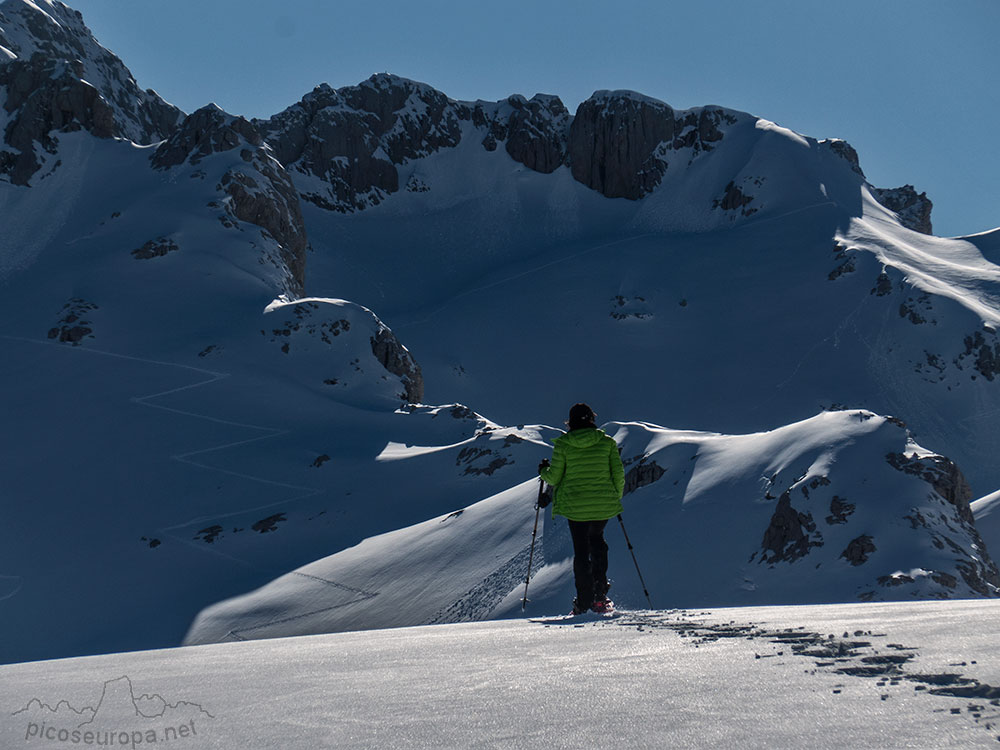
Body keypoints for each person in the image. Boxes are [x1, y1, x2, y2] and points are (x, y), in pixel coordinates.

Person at [538, 402, 625, 614]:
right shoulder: (607, 443)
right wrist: (614, 497)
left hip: (575, 506)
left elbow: (555, 477)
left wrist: (543, 471)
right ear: (592, 419)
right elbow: (619, 475)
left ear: (571, 422)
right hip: (603, 506)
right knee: (598, 542)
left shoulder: (564, 445)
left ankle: (584, 601)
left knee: (581, 550)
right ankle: (600, 596)